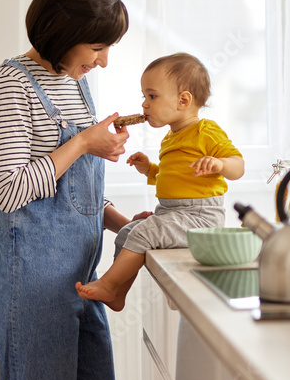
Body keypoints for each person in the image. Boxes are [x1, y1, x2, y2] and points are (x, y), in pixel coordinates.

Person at [0, 0, 134, 380]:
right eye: (97, 46)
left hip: (80, 283)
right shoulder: (9, 85)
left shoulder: (75, 83)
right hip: (33, 291)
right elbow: (9, 189)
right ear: (63, 30)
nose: (104, 61)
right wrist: (85, 141)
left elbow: (71, 191)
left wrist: (124, 224)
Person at [76, 53, 244, 311]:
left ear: (183, 100)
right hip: (171, 212)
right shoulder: (170, 138)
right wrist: (149, 169)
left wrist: (220, 164)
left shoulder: (205, 131)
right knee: (127, 233)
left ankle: (108, 283)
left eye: (152, 96)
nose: (144, 104)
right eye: (144, 96)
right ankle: (118, 294)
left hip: (199, 216)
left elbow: (238, 166)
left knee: (144, 232)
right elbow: (171, 177)